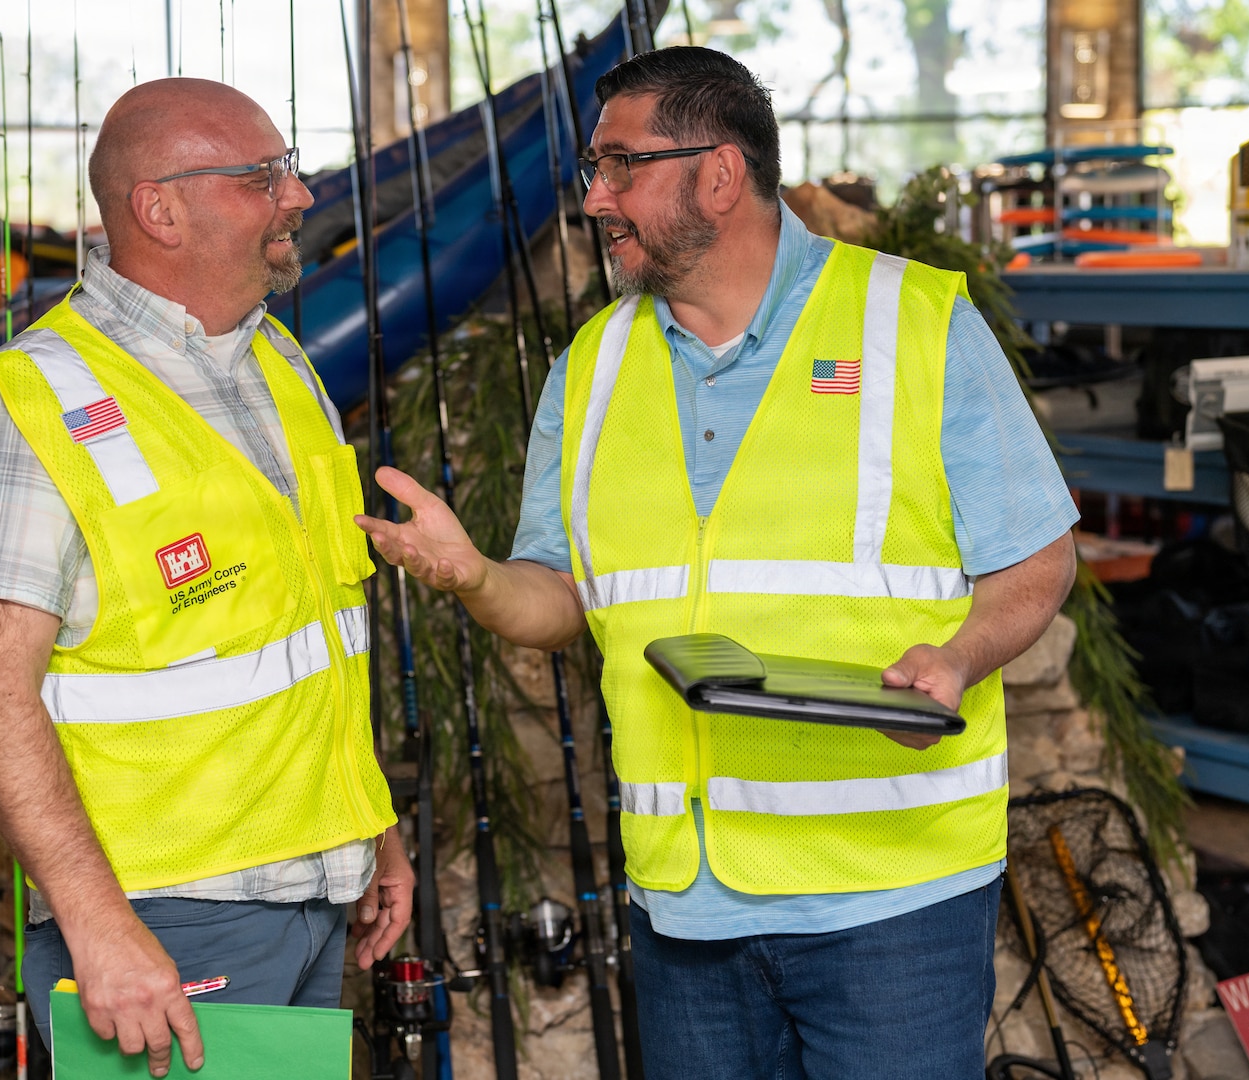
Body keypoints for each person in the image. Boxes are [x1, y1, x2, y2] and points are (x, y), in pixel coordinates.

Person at [357, 46, 1078, 1080]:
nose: (595, 198)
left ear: (720, 174)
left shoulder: (914, 322)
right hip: (682, 908)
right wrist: (471, 575)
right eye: (592, 170)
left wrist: (961, 656)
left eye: (620, 166)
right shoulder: (590, 369)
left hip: (890, 900)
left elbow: (1036, 560)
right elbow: (562, 600)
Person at [0, 78, 410, 1078]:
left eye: (288, 169)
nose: (296, 197)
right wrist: (99, 928)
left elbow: (317, 627)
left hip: (314, 899)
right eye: (259, 178)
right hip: (163, 916)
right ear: (159, 208)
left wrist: (371, 832)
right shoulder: (34, 403)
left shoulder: (278, 360)